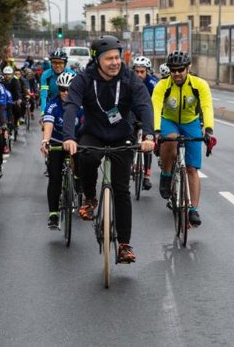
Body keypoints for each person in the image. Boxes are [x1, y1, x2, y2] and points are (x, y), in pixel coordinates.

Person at [62, 35, 155, 264]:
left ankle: (124, 245)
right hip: (93, 132)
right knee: (86, 155)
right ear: (96, 59)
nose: (115, 62)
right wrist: (69, 137)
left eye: (117, 57)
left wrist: (149, 135)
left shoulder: (129, 78)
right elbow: (72, 106)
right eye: (109, 58)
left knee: (122, 190)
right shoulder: (83, 79)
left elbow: (144, 104)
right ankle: (91, 198)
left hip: (122, 134)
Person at [152, 50, 215, 227]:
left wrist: (208, 129)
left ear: (188, 68)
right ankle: (166, 174)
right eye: (173, 70)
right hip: (168, 121)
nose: (177, 74)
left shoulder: (199, 84)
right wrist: (157, 131)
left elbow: (207, 106)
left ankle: (193, 209)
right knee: (170, 139)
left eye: (181, 69)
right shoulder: (162, 86)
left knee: (192, 168)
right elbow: (156, 108)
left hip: (191, 122)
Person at [40, 72, 84, 229]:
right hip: (57, 141)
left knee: (82, 161)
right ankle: (53, 214)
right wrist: (45, 140)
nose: (66, 93)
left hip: (77, 141)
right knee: (54, 177)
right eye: (62, 89)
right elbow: (49, 124)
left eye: (69, 90)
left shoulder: (82, 104)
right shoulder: (53, 104)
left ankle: (79, 181)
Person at [132, 55, 159, 190]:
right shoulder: (129, 82)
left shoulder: (154, 84)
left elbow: (157, 104)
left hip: (149, 114)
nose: (139, 74)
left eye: (142, 72)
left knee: (148, 143)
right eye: (136, 71)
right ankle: (130, 164)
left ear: (147, 72)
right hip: (133, 114)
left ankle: (147, 176)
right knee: (128, 139)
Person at [3, 65, 23, 131]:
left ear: (12, 75)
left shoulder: (15, 81)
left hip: (13, 100)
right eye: (5, 75)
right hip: (3, 100)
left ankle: (16, 122)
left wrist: (19, 99)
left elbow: (18, 91)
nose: (7, 76)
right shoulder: (1, 81)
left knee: (17, 108)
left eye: (9, 75)